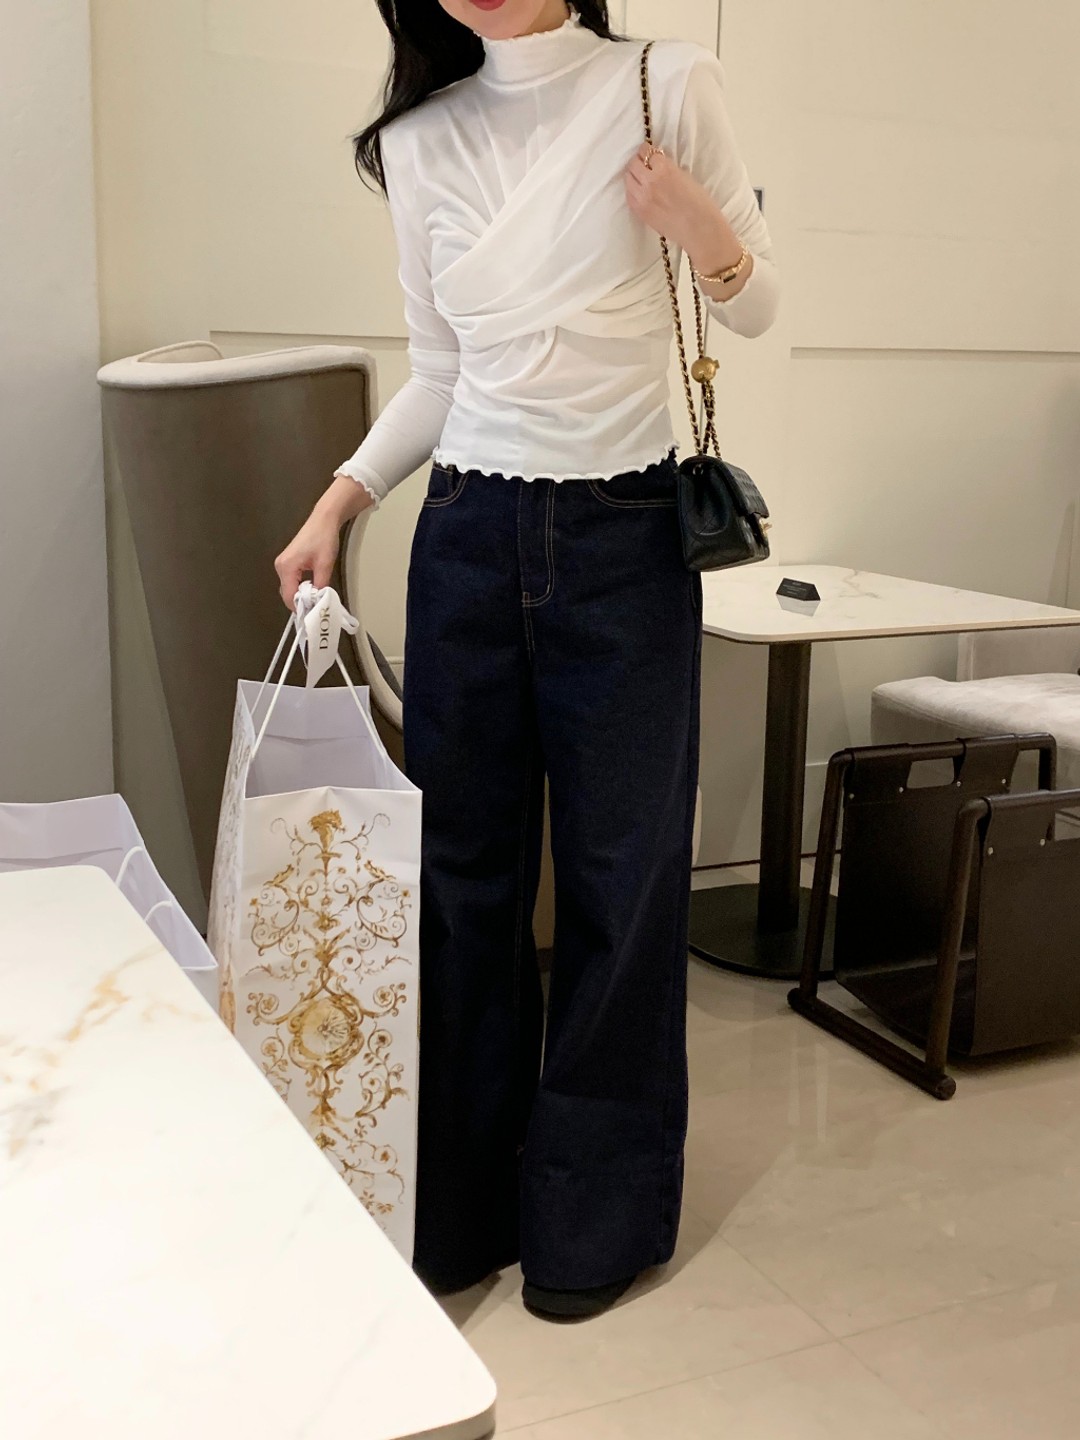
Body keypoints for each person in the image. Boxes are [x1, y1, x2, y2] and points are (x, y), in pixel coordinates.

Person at [275, 0, 778, 1321]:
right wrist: (340, 501)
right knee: (462, 878)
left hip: (627, 535)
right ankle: (459, 1208)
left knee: (625, 876)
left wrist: (701, 230)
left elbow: (761, 302)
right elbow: (440, 368)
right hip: (468, 534)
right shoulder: (420, 139)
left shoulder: (670, 82)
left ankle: (589, 1213)